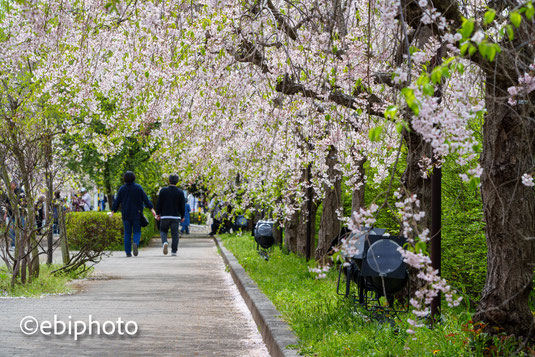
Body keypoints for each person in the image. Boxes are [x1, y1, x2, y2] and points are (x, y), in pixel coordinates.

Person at [111, 171, 156, 257]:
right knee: (137, 231)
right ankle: (135, 243)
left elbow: (117, 201)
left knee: (127, 233)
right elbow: (145, 199)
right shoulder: (138, 188)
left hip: (126, 214)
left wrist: (113, 211)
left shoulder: (122, 189)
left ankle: (128, 252)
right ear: (134, 178)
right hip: (137, 213)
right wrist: (152, 209)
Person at [155, 174, 185, 256]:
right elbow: (182, 206)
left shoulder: (163, 191)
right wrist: (182, 216)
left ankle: (164, 242)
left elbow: (159, 203)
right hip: (175, 216)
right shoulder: (180, 192)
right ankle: (174, 251)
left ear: (169, 181)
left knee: (163, 231)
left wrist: (158, 213)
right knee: (175, 233)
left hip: (164, 216)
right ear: (177, 182)